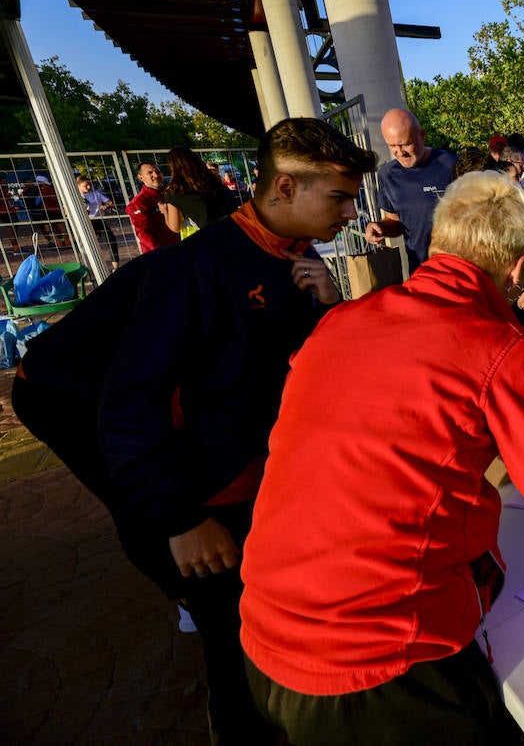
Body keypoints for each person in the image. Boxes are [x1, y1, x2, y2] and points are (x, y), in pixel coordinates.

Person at [238, 171, 524, 742]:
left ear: (437, 246)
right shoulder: (503, 347)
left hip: (264, 637)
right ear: (515, 269)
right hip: (378, 661)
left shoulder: (341, 322)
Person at [13, 118, 377, 743]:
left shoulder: (292, 257)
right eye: (339, 197)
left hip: (198, 441)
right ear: (285, 188)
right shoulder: (196, 271)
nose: (351, 211)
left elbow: (289, 370)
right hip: (83, 408)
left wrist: (328, 309)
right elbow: (128, 411)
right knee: (224, 617)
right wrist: (178, 517)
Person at [365, 108, 458, 273]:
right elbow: (396, 223)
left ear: (422, 135)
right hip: (419, 272)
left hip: (456, 269)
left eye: (406, 144)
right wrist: (380, 228)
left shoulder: (449, 164)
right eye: (392, 146)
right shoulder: (387, 175)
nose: (400, 153)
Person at [162, 146, 236, 238]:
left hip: (215, 237)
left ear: (173, 166)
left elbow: (175, 227)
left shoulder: (174, 191)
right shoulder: (213, 180)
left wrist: (165, 211)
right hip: (237, 228)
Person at [125, 161, 179, 253]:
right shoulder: (138, 203)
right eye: (150, 173)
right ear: (140, 177)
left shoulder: (170, 193)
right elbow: (144, 234)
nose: (156, 175)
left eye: (157, 172)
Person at [77, 174, 121, 265]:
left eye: (90, 184)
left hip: (98, 221)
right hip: (84, 223)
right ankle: (90, 268)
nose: (89, 187)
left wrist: (106, 206)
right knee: (87, 247)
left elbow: (111, 203)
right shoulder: (75, 196)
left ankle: (116, 267)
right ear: (78, 185)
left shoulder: (96, 193)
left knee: (111, 240)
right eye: (86, 185)